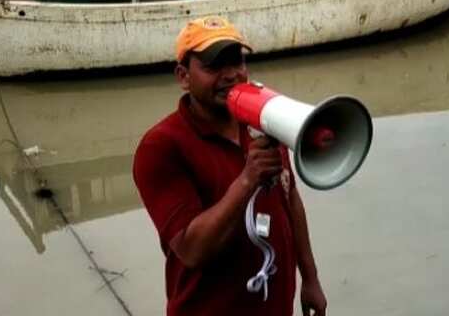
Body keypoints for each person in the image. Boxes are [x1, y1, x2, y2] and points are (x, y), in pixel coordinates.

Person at [133, 16, 327, 316]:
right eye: (213, 66)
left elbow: (290, 199)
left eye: (237, 62)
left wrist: (310, 278)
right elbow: (191, 250)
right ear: (184, 77)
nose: (231, 75)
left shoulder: (265, 122)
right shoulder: (161, 146)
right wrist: (247, 180)